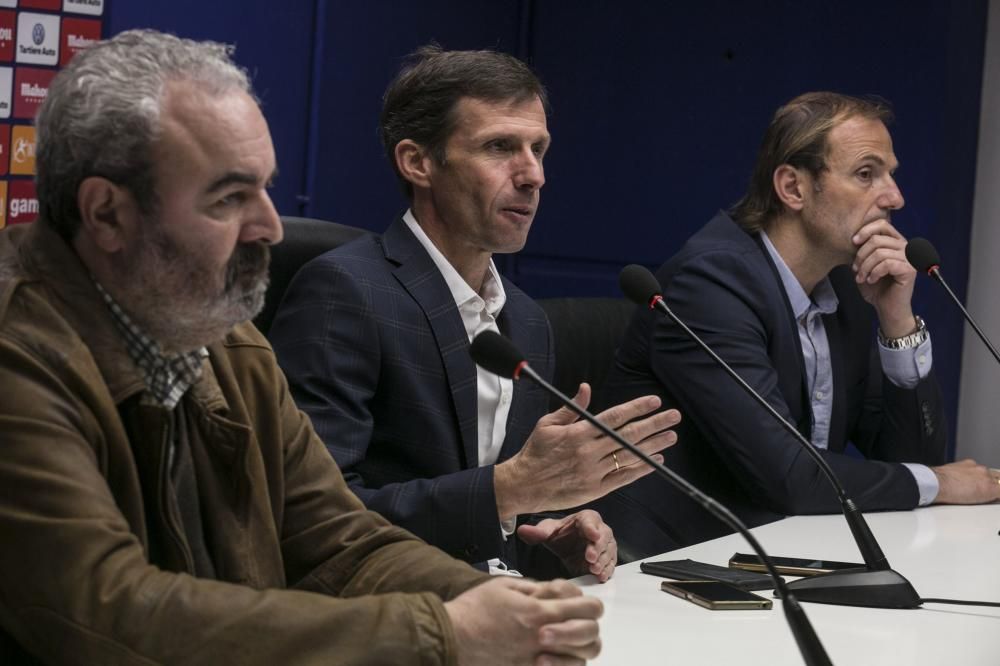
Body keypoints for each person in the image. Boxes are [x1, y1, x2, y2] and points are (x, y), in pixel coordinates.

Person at [0, 30, 605, 665]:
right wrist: (441, 633)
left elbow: (338, 537)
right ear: (107, 214)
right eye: (229, 198)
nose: (268, 226)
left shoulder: (226, 339)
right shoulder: (21, 351)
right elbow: (106, 610)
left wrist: (503, 608)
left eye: (265, 188)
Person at [269, 46, 680, 580]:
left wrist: (551, 533)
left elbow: (493, 517)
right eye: (499, 147)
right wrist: (508, 491)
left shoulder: (527, 323)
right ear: (417, 162)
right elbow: (313, 518)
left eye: (539, 148)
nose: (534, 175)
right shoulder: (345, 294)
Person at [596, 92, 1000, 557]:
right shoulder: (711, 284)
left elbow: (912, 461)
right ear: (793, 188)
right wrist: (940, 483)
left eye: (891, 175)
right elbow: (789, 477)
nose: (895, 197)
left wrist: (896, 320)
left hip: (773, 555)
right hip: (667, 565)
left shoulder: (844, 289)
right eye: (867, 174)